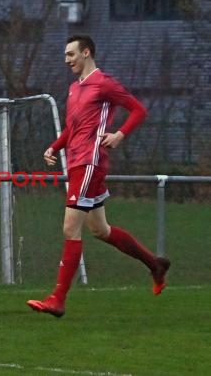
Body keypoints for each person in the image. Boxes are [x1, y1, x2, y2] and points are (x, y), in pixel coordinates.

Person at [27, 35, 170, 318]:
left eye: (71, 54)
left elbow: (138, 110)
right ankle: (155, 264)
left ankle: (58, 299)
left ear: (86, 52)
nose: (66, 60)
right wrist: (55, 146)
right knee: (100, 230)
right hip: (78, 162)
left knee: (70, 227)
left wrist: (119, 134)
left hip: (90, 163)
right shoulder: (73, 88)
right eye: (65, 55)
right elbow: (73, 127)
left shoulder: (103, 83)